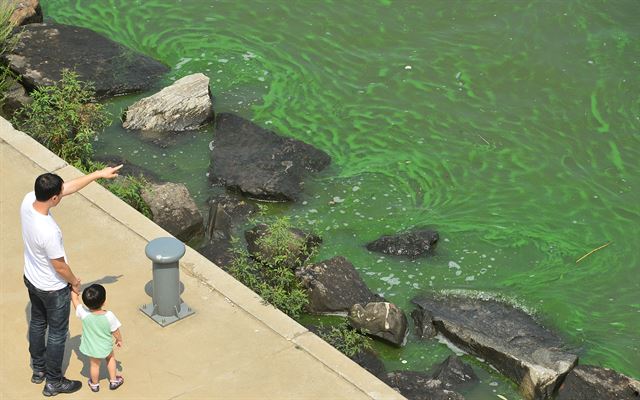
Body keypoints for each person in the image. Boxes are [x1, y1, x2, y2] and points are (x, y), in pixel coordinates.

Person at [21, 165, 122, 396]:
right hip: (53, 288)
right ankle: (54, 382)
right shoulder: (48, 230)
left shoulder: (29, 200)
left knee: (37, 324)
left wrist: (97, 174)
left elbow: (67, 188)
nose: (63, 194)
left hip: (32, 279)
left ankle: (38, 370)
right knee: (57, 334)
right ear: (54, 197)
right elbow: (59, 266)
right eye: (60, 193)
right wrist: (75, 282)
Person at [71, 284, 124, 392]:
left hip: (91, 347)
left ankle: (94, 384)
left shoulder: (84, 313)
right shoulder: (109, 315)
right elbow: (115, 331)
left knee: (94, 365)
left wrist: (74, 289)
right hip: (106, 346)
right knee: (110, 359)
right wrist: (119, 339)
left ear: (86, 302)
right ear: (104, 301)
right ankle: (113, 381)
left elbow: (75, 300)